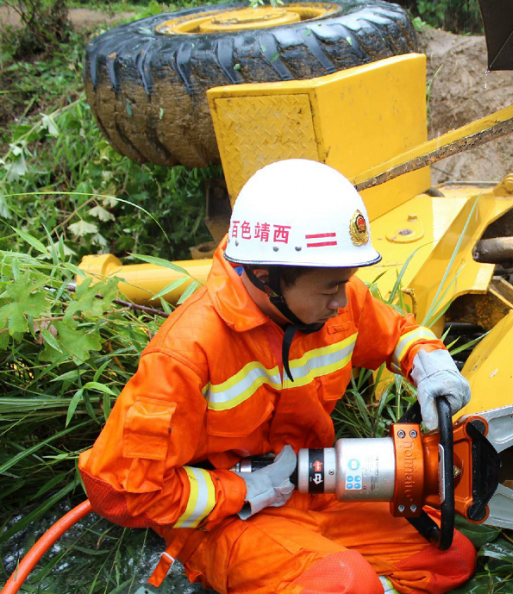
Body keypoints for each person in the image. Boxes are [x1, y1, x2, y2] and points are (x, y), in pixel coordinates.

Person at [78, 159, 476, 594]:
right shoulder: (187, 353)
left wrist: (429, 362)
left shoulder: (329, 298)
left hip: (313, 483)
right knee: (346, 583)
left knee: (449, 556)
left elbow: (396, 333)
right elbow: (119, 491)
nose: (343, 301)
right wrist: (239, 489)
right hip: (230, 520)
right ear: (267, 278)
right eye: (330, 289)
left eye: (346, 282)